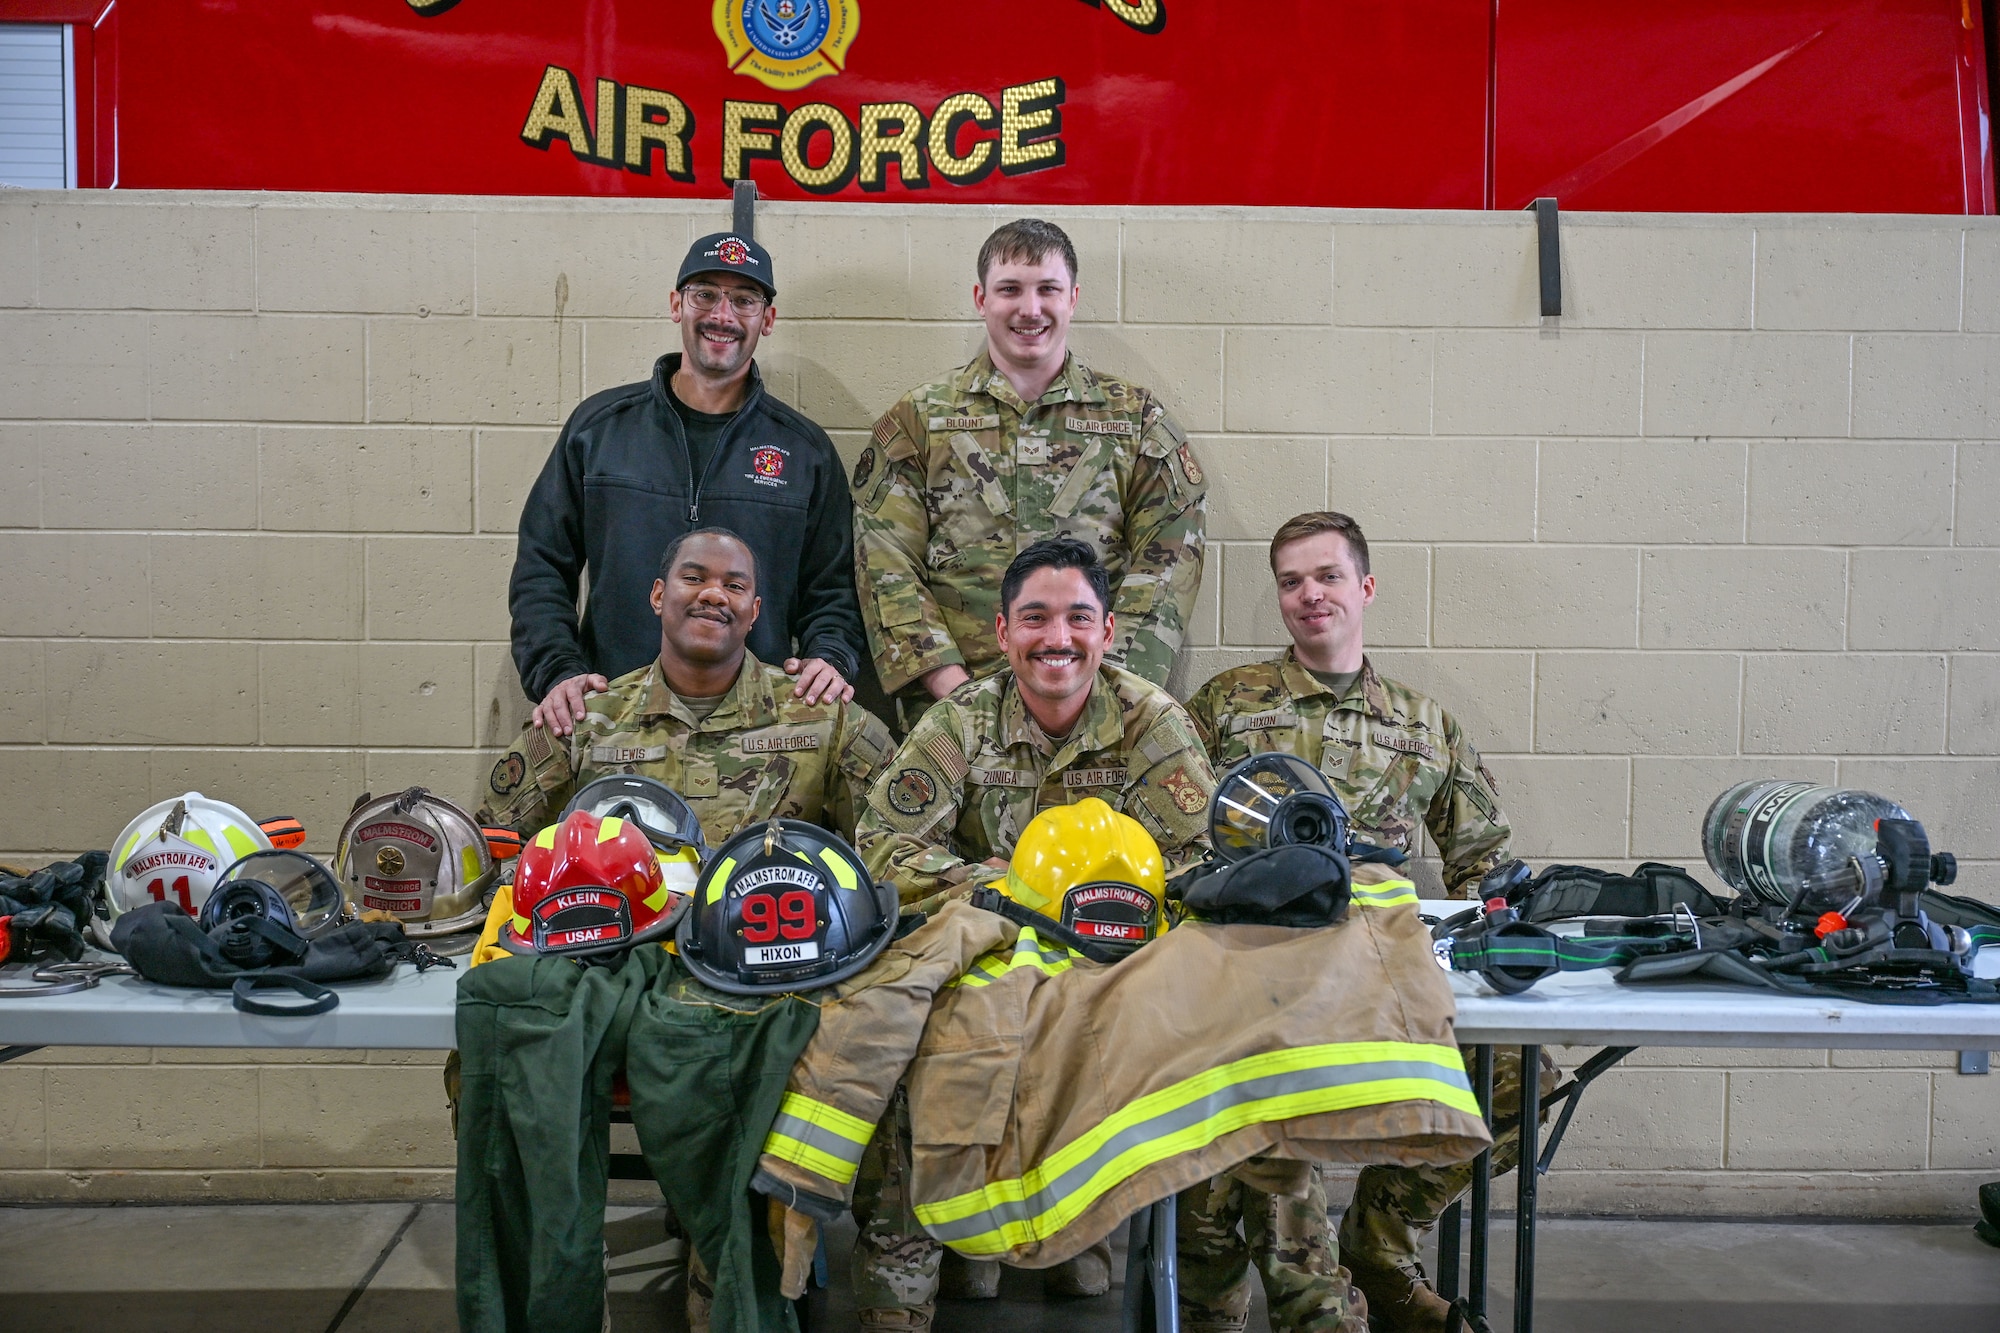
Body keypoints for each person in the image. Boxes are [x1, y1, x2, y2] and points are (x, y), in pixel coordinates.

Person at [847, 535, 1217, 1331]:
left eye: (1079, 617)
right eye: (1036, 618)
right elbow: (883, 848)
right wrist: (993, 887)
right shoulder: (962, 720)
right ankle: (898, 1296)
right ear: (1004, 631)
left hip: (1113, 969)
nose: (1059, 638)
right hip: (986, 958)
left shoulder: (1152, 722)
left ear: (1108, 631)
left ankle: (1071, 1227)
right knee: (910, 1044)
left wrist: (1123, 898)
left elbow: (1201, 862)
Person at [1185, 511, 1542, 1333]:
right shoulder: (1224, 709)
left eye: (1328, 576)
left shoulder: (1424, 726)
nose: (1309, 595)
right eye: (1291, 581)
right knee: (1258, 1121)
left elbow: (1484, 867)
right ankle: (1241, 1293)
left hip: (1380, 976)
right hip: (1258, 984)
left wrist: (1495, 935)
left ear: (1366, 587)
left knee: (1525, 1078)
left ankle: (1378, 1246)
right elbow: (1175, 837)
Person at [509, 231, 866, 744]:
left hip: (761, 735)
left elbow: (833, 588)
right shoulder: (600, 430)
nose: (723, 315)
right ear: (677, 304)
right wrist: (558, 672)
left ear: (767, 319)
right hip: (611, 723)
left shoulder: (804, 451)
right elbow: (541, 567)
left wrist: (829, 660)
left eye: (744, 300)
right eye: (705, 294)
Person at [852, 217, 1207, 725]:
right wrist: (952, 691)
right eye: (1010, 289)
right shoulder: (921, 420)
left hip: (1098, 713)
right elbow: (884, 563)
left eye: (1048, 289)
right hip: (954, 711)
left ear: (1073, 297)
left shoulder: (1134, 419)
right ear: (981, 298)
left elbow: (1170, 562)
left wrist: (1109, 688)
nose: (1030, 308)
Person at [479, 527, 892, 847]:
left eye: (734, 586)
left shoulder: (822, 715)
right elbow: (494, 846)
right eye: (694, 578)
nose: (714, 595)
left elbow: (895, 844)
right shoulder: (586, 721)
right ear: (659, 596)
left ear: (754, 612)